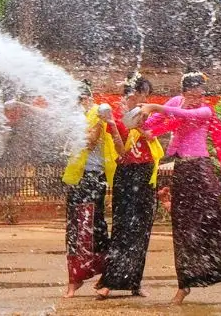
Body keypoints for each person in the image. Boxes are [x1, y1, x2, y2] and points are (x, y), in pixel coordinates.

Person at [139, 72, 221, 306]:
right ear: (184, 91)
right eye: (193, 92)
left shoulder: (204, 110)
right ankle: (184, 286)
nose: (198, 96)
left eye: (201, 92)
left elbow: (184, 114)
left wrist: (156, 107)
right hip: (178, 169)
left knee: (214, 224)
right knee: (183, 230)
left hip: (200, 170)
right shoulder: (173, 103)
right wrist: (138, 118)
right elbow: (150, 127)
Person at [97, 75, 162, 300]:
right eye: (132, 92)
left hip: (146, 173)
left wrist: (141, 126)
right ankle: (108, 282)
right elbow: (122, 152)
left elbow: (154, 137)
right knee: (123, 226)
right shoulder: (116, 115)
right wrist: (114, 126)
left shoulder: (150, 115)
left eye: (142, 93)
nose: (136, 97)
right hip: (126, 173)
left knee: (142, 229)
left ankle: (135, 282)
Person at [62, 81, 122, 298]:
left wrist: (82, 129)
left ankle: (104, 274)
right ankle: (74, 279)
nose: (79, 104)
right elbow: (69, 144)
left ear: (88, 99)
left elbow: (89, 141)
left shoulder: (99, 113)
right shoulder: (75, 119)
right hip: (76, 179)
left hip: (94, 178)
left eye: (81, 100)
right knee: (74, 229)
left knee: (94, 225)